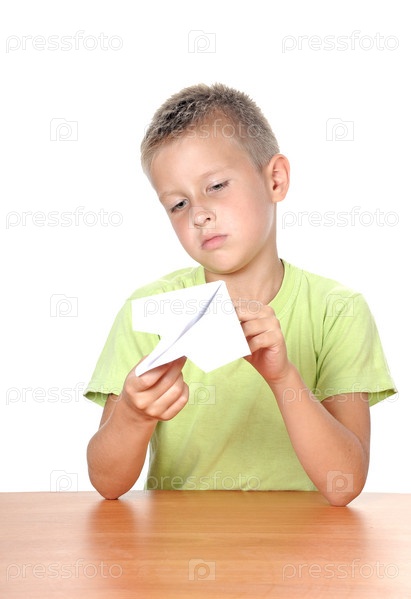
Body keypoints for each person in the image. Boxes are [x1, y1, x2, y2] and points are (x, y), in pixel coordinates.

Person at [85, 83, 396, 506]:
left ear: (275, 179)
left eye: (216, 186)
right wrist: (133, 415)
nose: (199, 214)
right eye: (178, 204)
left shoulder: (338, 310)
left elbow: (345, 484)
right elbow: (107, 484)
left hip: (301, 544)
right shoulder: (148, 311)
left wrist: (283, 378)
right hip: (176, 544)